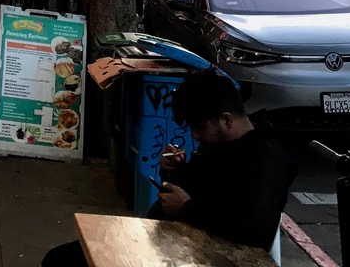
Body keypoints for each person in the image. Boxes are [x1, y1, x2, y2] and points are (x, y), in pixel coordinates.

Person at [41, 68, 298, 266]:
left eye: (199, 127)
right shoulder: (219, 143)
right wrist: (175, 171)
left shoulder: (264, 159)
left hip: (210, 252)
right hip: (174, 236)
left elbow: (253, 229)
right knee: (61, 259)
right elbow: (201, 186)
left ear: (227, 119)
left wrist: (187, 207)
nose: (195, 136)